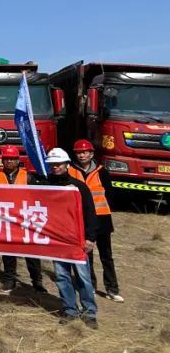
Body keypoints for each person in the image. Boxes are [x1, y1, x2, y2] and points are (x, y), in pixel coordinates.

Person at [44, 148, 99, 327]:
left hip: (78, 239)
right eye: (52, 164)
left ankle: (89, 312)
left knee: (83, 276)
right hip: (57, 240)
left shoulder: (79, 187)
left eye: (59, 164)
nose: (55, 167)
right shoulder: (44, 186)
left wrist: (90, 238)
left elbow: (90, 213)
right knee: (61, 276)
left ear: (67, 164)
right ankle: (69, 310)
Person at [69, 140, 122, 302]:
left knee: (106, 255)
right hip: (82, 220)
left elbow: (110, 194)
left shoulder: (102, 172)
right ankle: (89, 286)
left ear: (91, 154)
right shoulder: (71, 171)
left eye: (84, 152)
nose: (82, 155)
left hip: (102, 219)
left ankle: (112, 289)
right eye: (79, 152)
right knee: (87, 255)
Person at [0, 147, 46, 293]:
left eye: (12, 159)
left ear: (18, 161)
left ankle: (37, 281)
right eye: (6, 159)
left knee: (31, 252)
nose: (9, 161)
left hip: (25, 220)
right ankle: (10, 279)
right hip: (5, 219)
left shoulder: (28, 177)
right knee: (8, 252)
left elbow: (37, 197)